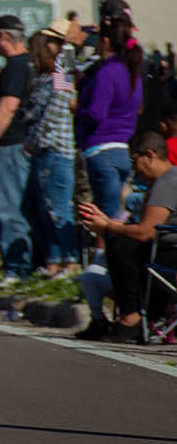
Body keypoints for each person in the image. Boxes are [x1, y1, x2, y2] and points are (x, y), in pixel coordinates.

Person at [74, 131, 174, 343]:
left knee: (121, 245)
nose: (134, 168)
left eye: (134, 161)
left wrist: (109, 227)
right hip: (165, 250)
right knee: (121, 240)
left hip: (169, 254)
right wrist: (107, 222)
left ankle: (132, 318)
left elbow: (147, 232)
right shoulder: (163, 182)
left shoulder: (167, 182)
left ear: (150, 155)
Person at [0, 13, 35, 287]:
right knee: (22, 207)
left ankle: (16, 269)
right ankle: (26, 266)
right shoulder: (28, 65)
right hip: (23, 145)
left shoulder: (15, 67)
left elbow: (8, 104)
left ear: (2, 36)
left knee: (10, 209)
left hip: (10, 145)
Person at [20, 21, 77, 278]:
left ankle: (70, 260)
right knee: (43, 210)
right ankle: (53, 262)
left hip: (55, 149)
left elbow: (56, 109)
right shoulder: (40, 77)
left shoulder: (61, 72)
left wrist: (70, 44)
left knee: (59, 208)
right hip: (41, 151)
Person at [77, 0, 142, 222]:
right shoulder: (131, 69)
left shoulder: (105, 69)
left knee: (105, 216)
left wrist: (67, 46)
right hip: (121, 148)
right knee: (112, 212)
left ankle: (106, 255)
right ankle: (105, 252)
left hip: (99, 149)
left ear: (104, 40)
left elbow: (66, 77)